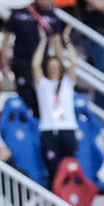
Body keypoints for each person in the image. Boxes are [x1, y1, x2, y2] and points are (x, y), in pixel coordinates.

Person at [31, 34, 80, 184]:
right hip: (49, 131)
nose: (53, 70)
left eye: (56, 67)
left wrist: (67, 42)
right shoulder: (43, 85)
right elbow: (35, 65)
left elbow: (74, 62)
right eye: (51, 67)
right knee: (54, 171)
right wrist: (43, 42)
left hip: (67, 129)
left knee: (69, 171)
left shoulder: (67, 83)